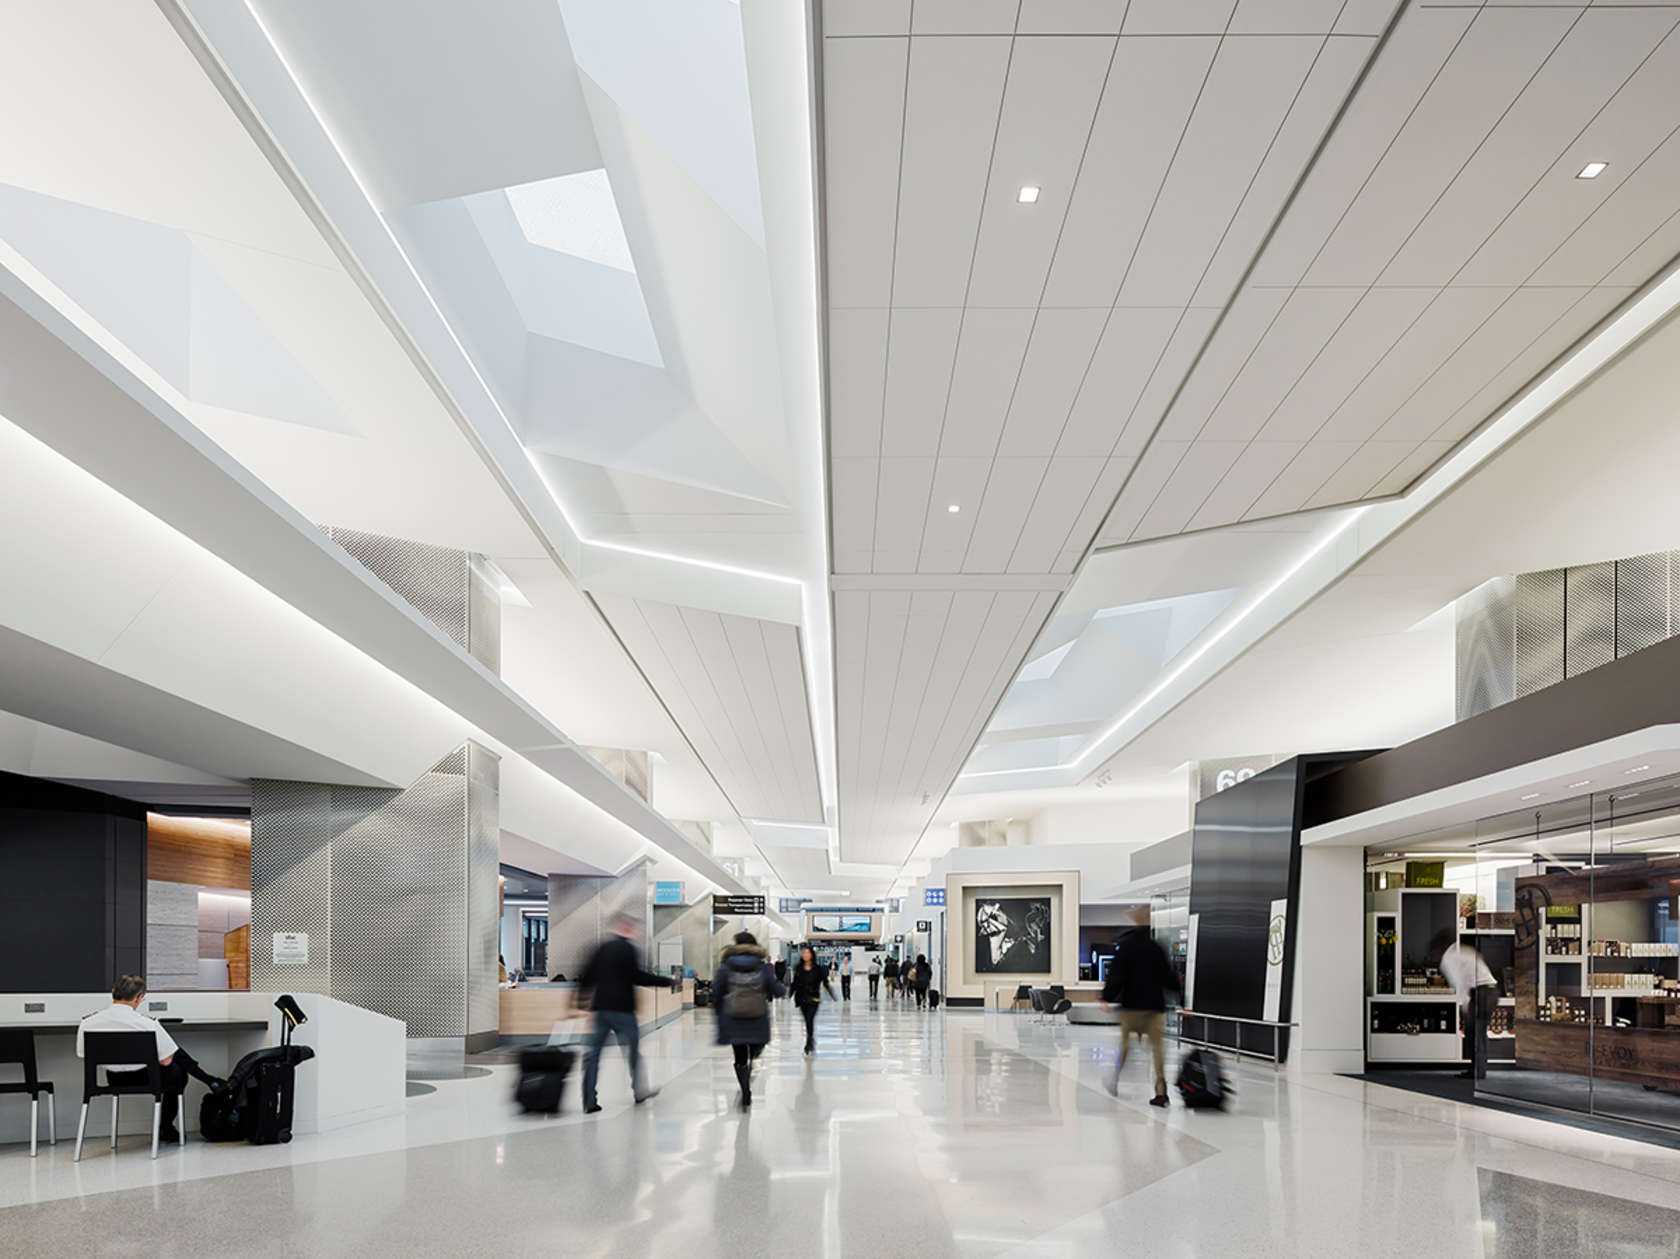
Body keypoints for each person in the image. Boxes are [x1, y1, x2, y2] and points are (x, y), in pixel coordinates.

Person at [77, 975, 222, 1143]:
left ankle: (210, 1081)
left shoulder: (88, 1023)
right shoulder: (147, 1023)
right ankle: (167, 1125)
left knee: (174, 1057)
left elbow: (83, 1054)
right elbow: (166, 1061)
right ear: (139, 997)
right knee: (178, 1068)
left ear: (113, 993)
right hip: (147, 1079)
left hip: (114, 1080)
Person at [577, 912, 671, 1114]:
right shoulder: (628, 949)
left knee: (593, 1056)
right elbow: (637, 976)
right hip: (623, 1011)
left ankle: (588, 1100)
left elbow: (587, 976)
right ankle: (639, 1092)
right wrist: (665, 981)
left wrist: (580, 1004)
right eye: (633, 929)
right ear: (626, 928)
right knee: (633, 1053)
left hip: (601, 1009)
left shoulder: (601, 948)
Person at [1101, 908, 1182, 1107]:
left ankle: (1115, 1078)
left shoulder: (1126, 947)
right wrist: (1181, 1000)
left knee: (1125, 1046)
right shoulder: (1156, 947)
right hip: (1154, 1007)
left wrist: (1106, 997)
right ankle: (1161, 1092)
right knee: (1157, 1050)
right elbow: (1168, 975)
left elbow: (1117, 975)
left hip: (1131, 1007)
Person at [713, 931, 785, 1107]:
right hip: (757, 1016)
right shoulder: (762, 967)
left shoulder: (726, 966)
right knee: (755, 1050)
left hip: (734, 1016)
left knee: (739, 1057)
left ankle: (745, 1090)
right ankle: (750, 1074)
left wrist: (719, 1012)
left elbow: (716, 992)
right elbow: (777, 990)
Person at [1438, 932, 1498, 1081]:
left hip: (1479, 993)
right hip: (1491, 990)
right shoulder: (1464, 951)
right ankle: (1478, 1069)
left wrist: (1465, 1007)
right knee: (1479, 1033)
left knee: (1474, 1034)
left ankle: (1477, 1071)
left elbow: (1459, 982)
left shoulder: (1448, 958)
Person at [786, 943, 834, 1055]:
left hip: (813, 999)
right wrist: (790, 993)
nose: (805, 955)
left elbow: (825, 982)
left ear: (812, 954)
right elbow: (795, 983)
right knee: (807, 1020)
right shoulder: (798, 968)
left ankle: (809, 1041)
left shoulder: (818, 969)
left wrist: (831, 992)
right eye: (804, 953)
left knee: (810, 1020)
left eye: (807, 952)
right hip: (802, 999)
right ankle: (810, 1039)